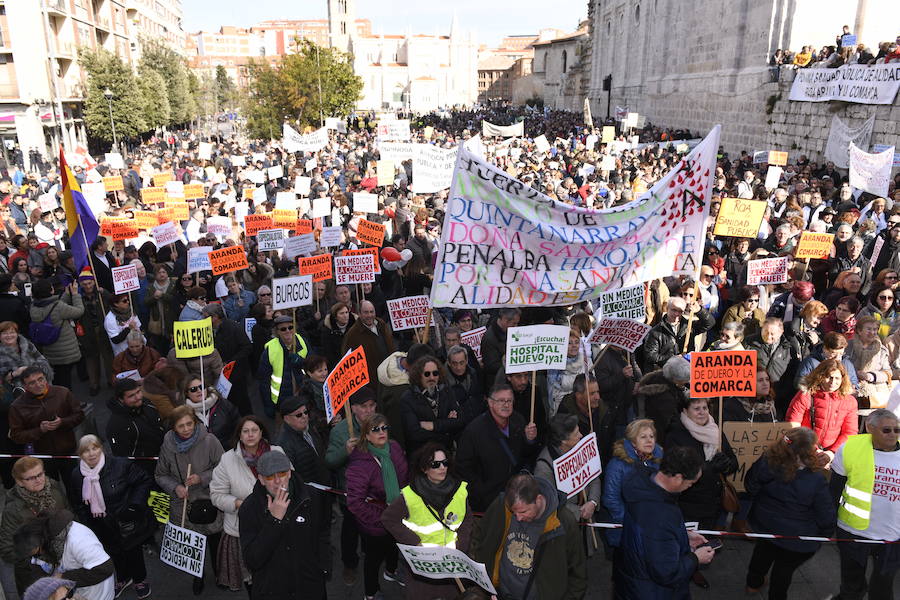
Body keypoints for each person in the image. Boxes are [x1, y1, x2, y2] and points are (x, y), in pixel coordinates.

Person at [743, 427, 835, 599]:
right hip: (796, 536)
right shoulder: (816, 479)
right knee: (783, 570)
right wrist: (825, 533)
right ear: (807, 452)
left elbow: (750, 485)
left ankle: (753, 585)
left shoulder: (767, 461)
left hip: (765, 523)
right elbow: (825, 513)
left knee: (762, 553)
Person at [615, 446, 714, 598]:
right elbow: (667, 573)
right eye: (691, 483)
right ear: (678, 478)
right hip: (652, 592)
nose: (690, 487)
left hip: (633, 578)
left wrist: (682, 535)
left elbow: (650, 538)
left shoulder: (641, 481)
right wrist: (695, 558)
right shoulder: (661, 516)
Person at [470, 473, 586, 600]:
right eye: (513, 512)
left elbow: (578, 574)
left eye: (523, 511)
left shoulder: (563, 522)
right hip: (499, 594)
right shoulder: (501, 506)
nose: (518, 517)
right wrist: (483, 583)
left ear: (539, 499)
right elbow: (478, 536)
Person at [381, 442, 475, 599]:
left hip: (451, 568)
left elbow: (467, 519)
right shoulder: (410, 495)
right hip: (423, 569)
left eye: (445, 462)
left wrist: (460, 546)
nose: (442, 467)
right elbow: (389, 519)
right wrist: (414, 542)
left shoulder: (459, 491)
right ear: (424, 468)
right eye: (435, 464)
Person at [664, 395, 738, 588]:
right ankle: (686, 570)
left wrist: (727, 464)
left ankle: (695, 565)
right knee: (686, 541)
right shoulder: (676, 436)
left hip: (712, 502)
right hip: (688, 503)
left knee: (704, 538)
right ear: (685, 411)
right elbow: (676, 473)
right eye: (696, 408)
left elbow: (734, 462)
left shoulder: (714, 429)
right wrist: (708, 468)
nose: (702, 412)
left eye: (704, 408)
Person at [68, 435, 153, 600]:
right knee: (114, 553)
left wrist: (133, 506)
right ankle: (123, 577)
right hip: (101, 525)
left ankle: (140, 580)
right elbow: (77, 502)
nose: (92, 454)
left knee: (133, 552)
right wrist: (88, 525)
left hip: (126, 520)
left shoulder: (120, 465)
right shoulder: (76, 475)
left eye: (95, 448)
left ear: (102, 448)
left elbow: (143, 480)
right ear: (80, 455)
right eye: (86, 450)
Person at [238, 451, 332, 600]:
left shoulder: (311, 496)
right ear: (261, 479)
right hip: (272, 590)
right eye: (270, 476)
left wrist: (323, 568)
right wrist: (274, 520)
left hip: (309, 586)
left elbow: (323, 532)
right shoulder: (250, 508)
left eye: (281, 474)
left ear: (289, 473)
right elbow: (252, 560)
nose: (277, 481)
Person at [829, 409, 900, 600]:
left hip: (892, 536)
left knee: (883, 587)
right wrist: (828, 523)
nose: (893, 434)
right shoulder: (851, 448)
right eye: (886, 430)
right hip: (853, 531)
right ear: (870, 428)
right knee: (852, 585)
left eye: (897, 430)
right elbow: (835, 489)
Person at [210, 416, 285, 594]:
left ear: (261, 433)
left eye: (254, 430)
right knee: (253, 582)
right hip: (242, 529)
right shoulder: (227, 460)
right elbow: (216, 495)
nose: (250, 434)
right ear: (239, 435)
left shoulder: (277, 452)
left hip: (276, 523)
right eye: (245, 431)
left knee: (279, 574)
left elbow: (292, 482)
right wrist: (239, 504)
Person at [155, 405, 225, 595]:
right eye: (181, 426)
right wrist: (175, 487)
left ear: (195, 422)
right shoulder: (167, 446)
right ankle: (198, 576)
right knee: (194, 545)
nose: (186, 429)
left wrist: (201, 477)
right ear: (173, 428)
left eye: (189, 424)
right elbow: (160, 475)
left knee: (214, 541)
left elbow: (224, 467)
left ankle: (220, 574)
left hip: (208, 499)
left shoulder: (210, 441)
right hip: (183, 506)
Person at [345, 413, 409, 600]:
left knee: (393, 547)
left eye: (384, 428)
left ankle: (391, 571)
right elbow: (355, 502)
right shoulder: (360, 464)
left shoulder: (395, 448)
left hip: (398, 514)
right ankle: (371, 592)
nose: (381, 432)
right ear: (366, 435)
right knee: (373, 559)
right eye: (375, 429)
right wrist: (382, 518)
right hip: (376, 522)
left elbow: (404, 477)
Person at [455, 383, 539, 512]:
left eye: (509, 401)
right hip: (489, 501)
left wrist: (529, 440)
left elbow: (526, 455)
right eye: (501, 401)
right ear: (490, 402)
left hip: (516, 495)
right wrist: (482, 492)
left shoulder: (519, 420)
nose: (506, 405)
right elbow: (464, 469)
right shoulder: (474, 431)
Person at [324, 387, 378, 586]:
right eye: (364, 407)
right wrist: (345, 451)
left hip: (374, 493)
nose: (369, 411)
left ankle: (370, 554)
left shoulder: (379, 423)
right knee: (350, 531)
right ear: (353, 408)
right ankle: (349, 564)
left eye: (372, 406)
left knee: (372, 529)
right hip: (351, 494)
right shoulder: (340, 431)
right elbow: (329, 461)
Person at [0, 457, 70, 595]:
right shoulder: (13, 510)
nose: (38, 480)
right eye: (31, 478)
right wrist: (36, 559)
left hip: (65, 558)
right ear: (19, 482)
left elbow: (68, 515)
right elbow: (7, 549)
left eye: (40, 474)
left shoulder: (54, 489)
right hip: (36, 571)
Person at [534, 414, 602, 554]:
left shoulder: (580, 447)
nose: (581, 435)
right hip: (565, 527)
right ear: (563, 440)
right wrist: (580, 511)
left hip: (586, 522)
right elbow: (549, 501)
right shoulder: (544, 466)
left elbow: (594, 476)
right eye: (576, 433)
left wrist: (593, 502)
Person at [13, 510, 114, 600]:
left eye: (38, 553)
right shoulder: (48, 541)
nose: (39, 557)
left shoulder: (78, 540)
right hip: (76, 592)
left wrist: (63, 577)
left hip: (96, 594)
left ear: (41, 542)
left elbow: (105, 569)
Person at [8, 366, 84, 484]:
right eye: (32, 383)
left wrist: (62, 422)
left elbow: (79, 415)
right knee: (50, 493)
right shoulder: (17, 406)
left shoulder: (62, 393)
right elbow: (16, 436)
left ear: (46, 378)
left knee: (76, 487)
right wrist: (40, 430)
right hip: (41, 458)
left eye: (41, 379)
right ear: (25, 386)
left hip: (67, 451)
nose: (38, 384)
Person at [602, 418, 663, 548]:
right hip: (628, 528)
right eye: (643, 437)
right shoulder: (617, 465)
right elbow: (611, 499)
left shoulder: (658, 459)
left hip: (653, 524)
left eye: (651, 436)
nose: (649, 440)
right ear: (633, 442)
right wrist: (632, 521)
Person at [786, 359, 858, 467]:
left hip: (833, 455)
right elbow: (793, 425)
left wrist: (831, 453)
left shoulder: (850, 401)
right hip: (803, 451)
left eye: (837, 378)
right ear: (820, 376)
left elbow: (850, 432)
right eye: (829, 377)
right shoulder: (805, 395)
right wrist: (814, 450)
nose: (833, 382)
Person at [399, 355, 463, 454]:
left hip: (448, 451)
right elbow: (415, 434)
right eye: (427, 374)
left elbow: (459, 421)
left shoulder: (445, 390)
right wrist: (446, 428)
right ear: (419, 375)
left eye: (435, 373)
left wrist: (433, 425)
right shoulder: (407, 398)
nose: (432, 377)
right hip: (423, 455)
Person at [29, 280, 83, 389]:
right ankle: (66, 402)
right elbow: (79, 311)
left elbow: (55, 306)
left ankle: (62, 400)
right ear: (51, 290)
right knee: (65, 381)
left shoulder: (33, 307)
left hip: (50, 350)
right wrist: (76, 294)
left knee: (58, 378)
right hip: (65, 351)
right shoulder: (58, 307)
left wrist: (66, 294)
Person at [203, 302, 253, 415]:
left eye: (205, 317)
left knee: (242, 401)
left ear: (215, 317)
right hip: (220, 374)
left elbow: (247, 347)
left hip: (236, 373)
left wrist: (231, 362)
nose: (203, 319)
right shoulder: (209, 330)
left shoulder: (233, 327)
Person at [642, 295, 714, 372]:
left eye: (680, 311)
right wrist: (672, 358)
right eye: (673, 310)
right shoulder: (656, 331)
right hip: (666, 371)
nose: (676, 314)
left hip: (686, 369)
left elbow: (709, 323)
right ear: (667, 309)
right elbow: (650, 355)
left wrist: (700, 311)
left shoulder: (688, 326)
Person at [257, 314, 309, 418]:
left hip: (302, 394)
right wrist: (268, 405)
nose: (288, 331)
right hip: (282, 401)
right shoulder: (270, 349)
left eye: (290, 327)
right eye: (283, 329)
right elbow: (264, 380)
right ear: (277, 332)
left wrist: (301, 361)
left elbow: (313, 364)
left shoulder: (302, 341)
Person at [275, 395, 330, 486]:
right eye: (299, 415)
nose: (304, 416)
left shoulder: (311, 427)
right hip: (310, 491)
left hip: (325, 482)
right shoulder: (283, 444)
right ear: (287, 419)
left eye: (306, 412)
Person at [637, 355, 690, 446]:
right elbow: (668, 424)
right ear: (676, 379)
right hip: (660, 440)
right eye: (684, 380)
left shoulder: (660, 378)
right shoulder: (665, 398)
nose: (686, 382)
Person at [342, 300, 395, 389]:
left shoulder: (381, 324)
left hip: (389, 375)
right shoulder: (352, 334)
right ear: (359, 313)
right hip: (371, 382)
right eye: (366, 312)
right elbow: (347, 360)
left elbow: (391, 345)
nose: (370, 315)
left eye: (372, 312)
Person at [847, 316, 893, 409]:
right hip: (851, 392)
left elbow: (888, 373)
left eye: (875, 329)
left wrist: (870, 376)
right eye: (868, 329)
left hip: (874, 396)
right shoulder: (848, 347)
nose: (872, 332)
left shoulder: (881, 350)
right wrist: (854, 374)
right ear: (859, 331)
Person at [0, 320, 52, 389]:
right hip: (17, 390)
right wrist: (15, 373)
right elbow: (2, 380)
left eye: (12, 332)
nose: (9, 335)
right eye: (5, 333)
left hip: (39, 382)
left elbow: (42, 359)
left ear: (17, 334)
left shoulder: (27, 344)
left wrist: (34, 369)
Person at [480, 308, 520, 389]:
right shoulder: (490, 338)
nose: (516, 327)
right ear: (505, 320)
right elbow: (490, 366)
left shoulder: (507, 332)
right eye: (514, 324)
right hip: (497, 384)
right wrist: (511, 364)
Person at [320, 301, 355, 369]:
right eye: (341, 313)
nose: (345, 316)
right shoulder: (327, 330)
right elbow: (328, 352)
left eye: (346, 312)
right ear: (335, 316)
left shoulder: (355, 327)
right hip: (337, 365)